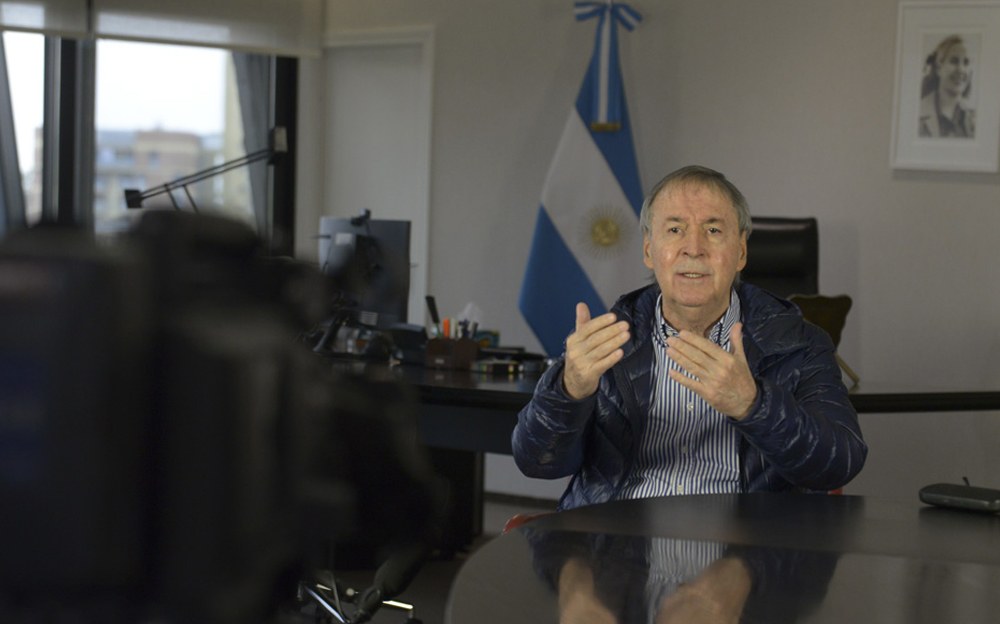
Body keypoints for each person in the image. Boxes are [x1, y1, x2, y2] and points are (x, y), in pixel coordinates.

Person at [512, 165, 867, 510]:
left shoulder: (800, 343)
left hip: (747, 542)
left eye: (713, 230)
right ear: (649, 251)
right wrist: (569, 390)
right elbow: (537, 462)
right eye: (675, 230)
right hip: (617, 539)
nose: (693, 248)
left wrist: (754, 406)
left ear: (741, 252)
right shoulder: (607, 340)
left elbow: (840, 463)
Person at [919, 35, 976, 138]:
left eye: (966, 62)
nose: (961, 69)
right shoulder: (917, 113)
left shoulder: (975, 118)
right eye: (954, 61)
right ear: (938, 68)